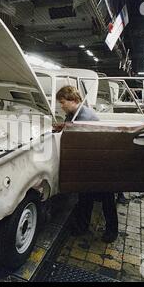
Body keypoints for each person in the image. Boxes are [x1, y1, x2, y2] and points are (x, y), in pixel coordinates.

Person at [54, 86, 119, 243]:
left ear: (74, 100)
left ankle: (112, 231)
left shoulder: (86, 116)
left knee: (106, 198)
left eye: (63, 102)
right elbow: (72, 128)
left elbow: (80, 134)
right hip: (86, 163)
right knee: (85, 197)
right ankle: (82, 227)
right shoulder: (72, 114)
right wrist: (62, 127)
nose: (61, 106)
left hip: (99, 164)